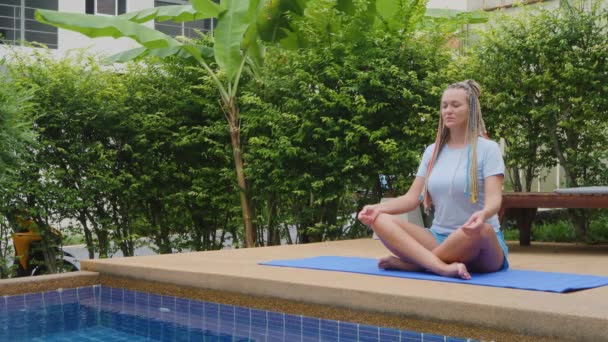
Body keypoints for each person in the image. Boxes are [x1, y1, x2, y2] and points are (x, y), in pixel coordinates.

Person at [358, 80, 509, 280]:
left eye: (456, 105)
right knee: (380, 220)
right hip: (437, 238)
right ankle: (441, 267)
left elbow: (494, 201)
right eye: (444, 106)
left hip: (478, 244)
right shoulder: (433, 151)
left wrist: (483, 215)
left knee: (480, 229)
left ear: (471, 110)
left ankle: (416, 265)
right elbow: (412, 198)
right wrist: (377, 209)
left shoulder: (487, 149)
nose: (448, 110)